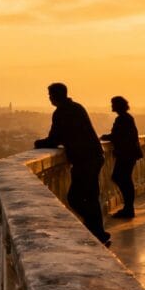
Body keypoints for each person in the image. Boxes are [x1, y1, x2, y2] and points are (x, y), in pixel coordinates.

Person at [34, 82, 110, 245]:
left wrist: (38, 143)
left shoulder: (61, 112)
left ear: (56, 96)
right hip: (94, 156)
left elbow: (54, 138)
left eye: (50, 95)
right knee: (91, 197)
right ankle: (99, 233)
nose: (49, 98)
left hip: (84, 160)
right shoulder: (77, 107)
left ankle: (95, 231)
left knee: (75, 198)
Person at [100, 96, 143, 218]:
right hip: (129, 154)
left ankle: (128, 208)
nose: (112, 106)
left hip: (126, 154)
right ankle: (128, 207)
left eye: (113, 104)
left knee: (121, 179)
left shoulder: (122, 119)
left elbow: (118, 135)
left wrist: (105, 137)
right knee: (124, 179)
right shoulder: (126, 118)